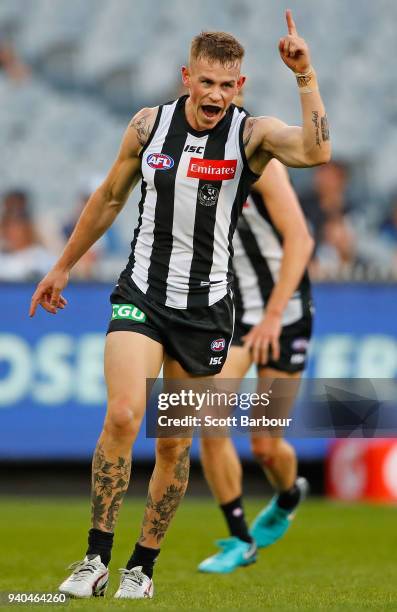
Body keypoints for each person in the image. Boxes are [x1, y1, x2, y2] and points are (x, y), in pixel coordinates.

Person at [29, 11, 330, 600]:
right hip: (140, 292)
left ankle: (141, 567)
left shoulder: (251, 135)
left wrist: (305, 75)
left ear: (239, 86)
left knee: (173, 443)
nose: (216, 94)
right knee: (121, 414)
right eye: (206, 82)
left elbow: (317, 153)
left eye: (228, 84)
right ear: (186, 77)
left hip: (207, 311)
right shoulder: (148, 127)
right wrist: (63, 264)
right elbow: (111, 196)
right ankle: (95, 559)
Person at [198, 158, 314, 573]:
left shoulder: (262, 166)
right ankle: (239, 538)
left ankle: (288, 495)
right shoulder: (192, 165)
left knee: (264, 444)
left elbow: (301, 239)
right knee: (209, 419)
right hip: (235, 318)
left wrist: (273, 315)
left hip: (285, 318)